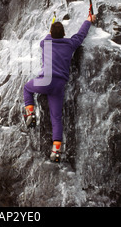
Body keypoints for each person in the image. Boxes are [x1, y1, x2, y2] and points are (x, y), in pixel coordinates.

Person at [23, 13, 96, 162]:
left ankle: (30, 114)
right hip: (59, 85)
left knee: (27, 88)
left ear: (51, 34)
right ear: (64, 34)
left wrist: (51, 31)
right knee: (56, 118)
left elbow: (48, 36)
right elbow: (81, 34)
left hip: (44, 82)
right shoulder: (70, 44)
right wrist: (89, 19)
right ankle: (56, 150)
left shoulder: (45, 43)